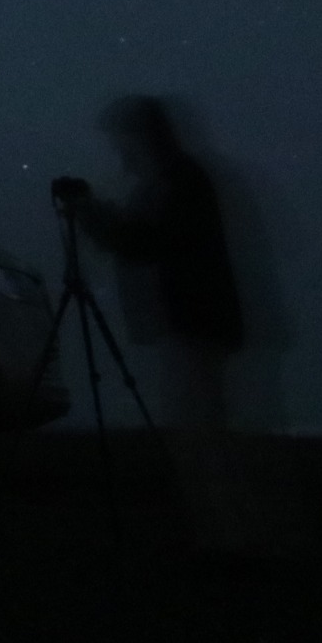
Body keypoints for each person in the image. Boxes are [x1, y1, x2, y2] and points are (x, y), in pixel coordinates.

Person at [64, 94, 264, 554]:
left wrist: (90, 212)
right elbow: (145, 237)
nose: (118, 151)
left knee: (201, 434)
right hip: (197, 322)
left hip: (194, 323)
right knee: (201, 431)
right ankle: (223, 532)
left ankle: (224, 536)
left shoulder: (176, 182)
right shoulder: (176, 180)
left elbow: (143, 242)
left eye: (122, 140)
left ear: (142, 138)